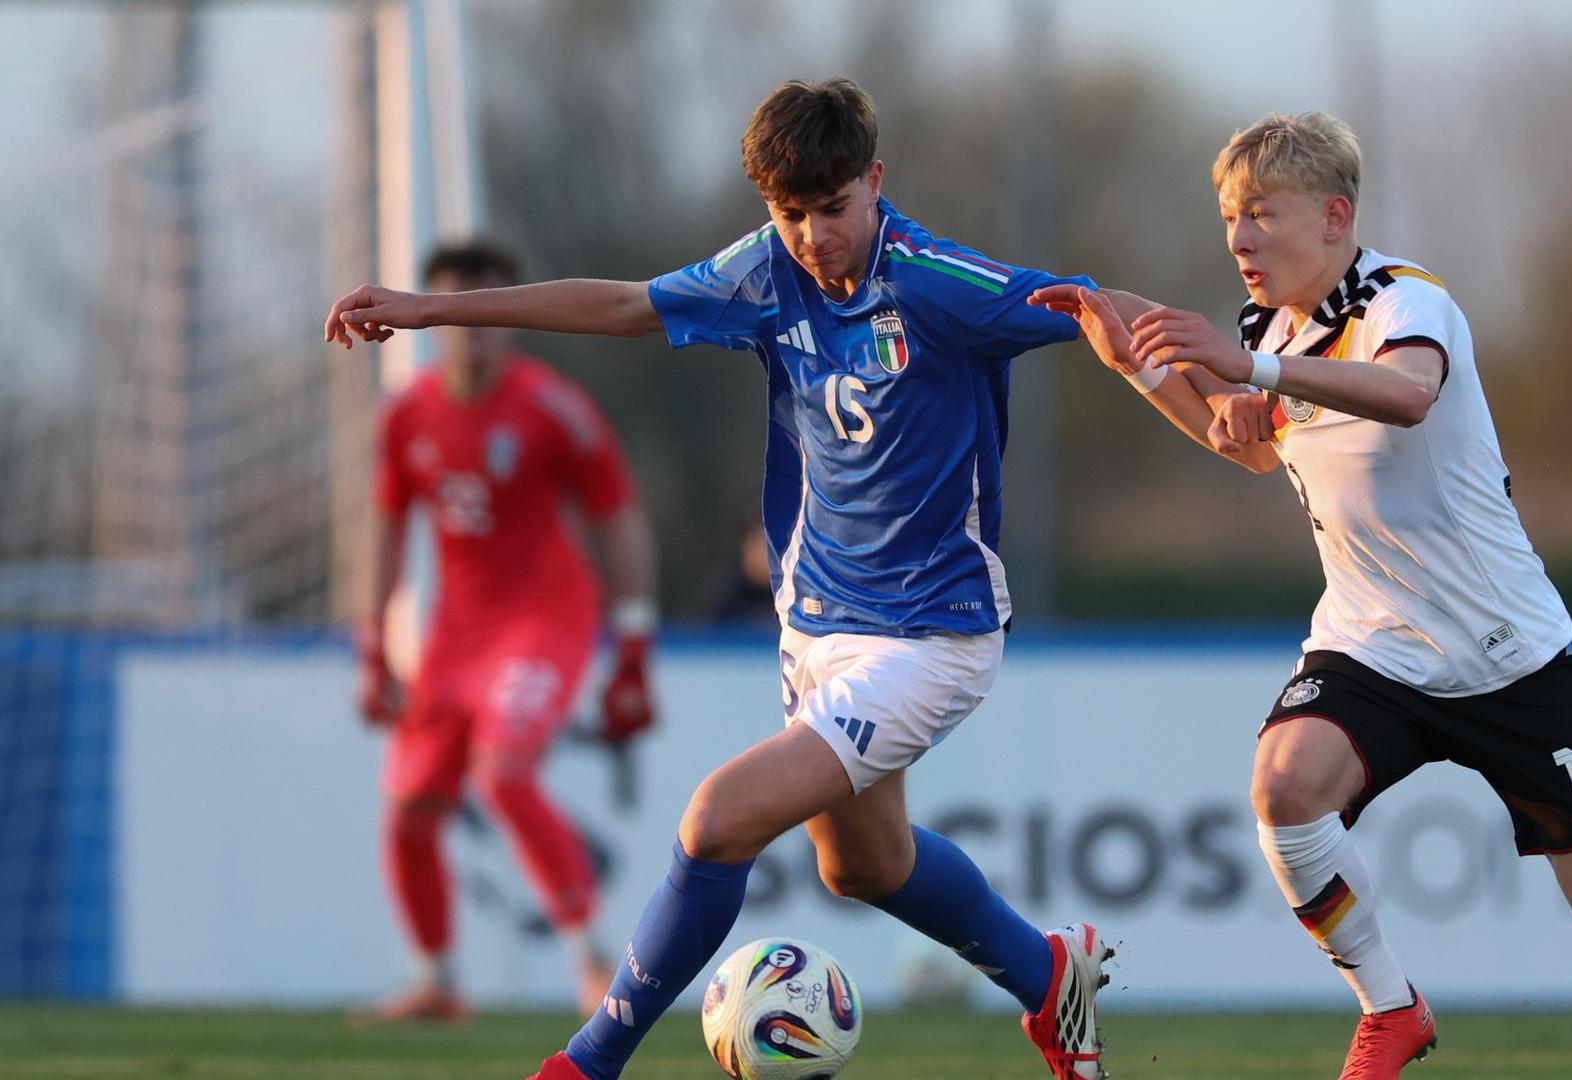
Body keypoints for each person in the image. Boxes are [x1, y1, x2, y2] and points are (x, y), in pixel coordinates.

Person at [325, 79, 1115, 1080]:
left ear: (874, 181)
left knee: (715, 819)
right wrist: (433, 310)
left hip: (931, 635)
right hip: (817, 622)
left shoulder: (937, 282)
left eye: (833, 208)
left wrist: (1228, 371)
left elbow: (1095, 307)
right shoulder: (765, 273)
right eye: (790, 214)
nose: (814, 234)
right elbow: (621, 303)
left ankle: (584, 1062)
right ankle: (1052, 982)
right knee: (863, 865)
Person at [1032, 112, 1572, 1080]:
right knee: (1283, 786)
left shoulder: (1408, 300)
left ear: (1333, 216)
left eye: (1259, 215)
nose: (1237, 238)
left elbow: (1404, 395)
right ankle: (1389, 1006)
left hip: (1507, 656)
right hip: (1373, 647)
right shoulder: (1267, 329)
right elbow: (1248, 448)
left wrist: (1252, 370)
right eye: (1229, 216)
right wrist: (1143, 364)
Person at [352, 241, 662, 1023]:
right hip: (456, 636)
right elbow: (385, 532)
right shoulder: (407, 415)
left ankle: (597, 964)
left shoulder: (553, 408)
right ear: (437, 317)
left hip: (544, 622)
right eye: (458, 309)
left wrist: (632, 648)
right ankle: (436, 980)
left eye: (487, 308)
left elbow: (618, 521)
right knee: (410, 811)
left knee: (503, 776)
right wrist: (372, 646)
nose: (474, 330)